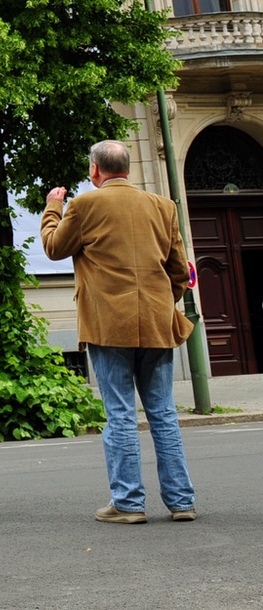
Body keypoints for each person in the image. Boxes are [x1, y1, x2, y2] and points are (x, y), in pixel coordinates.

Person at [41, 139, 197, 523]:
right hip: (158, 322)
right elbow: (179, 270)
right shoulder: (163, 207)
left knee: (121, 414)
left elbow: (53, 248)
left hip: (109, 324)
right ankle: (181, 502)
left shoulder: (84, 205)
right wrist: (163, 301)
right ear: (126, 168)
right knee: (163, 412)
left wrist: (52, 208)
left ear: (95, 170)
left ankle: (128, 504)